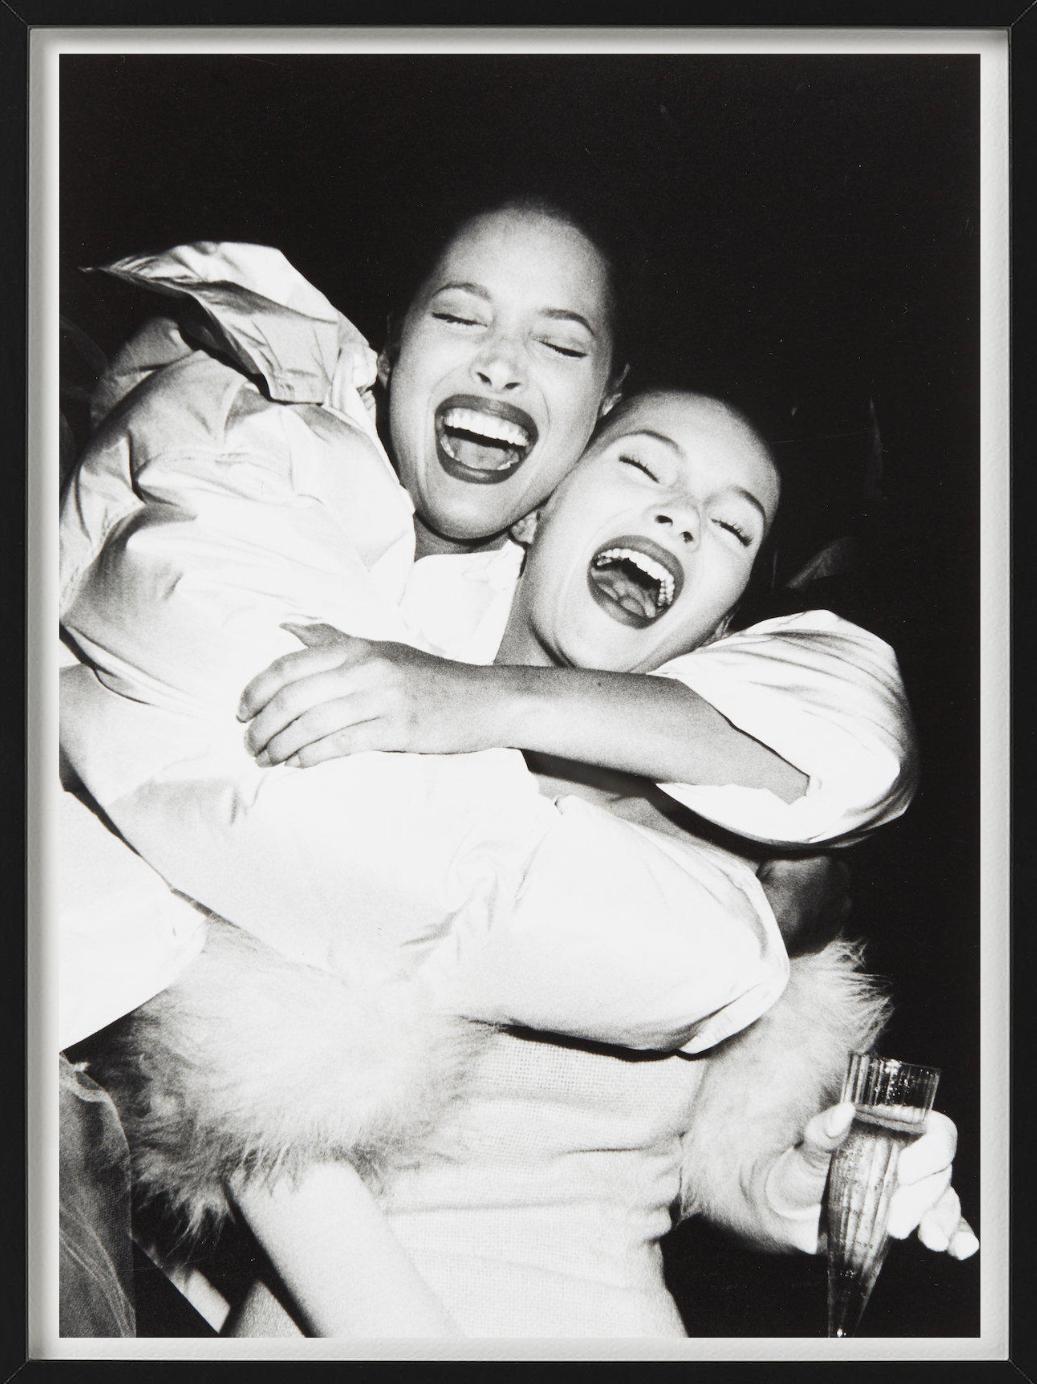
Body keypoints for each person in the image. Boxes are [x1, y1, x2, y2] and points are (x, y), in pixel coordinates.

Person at [92, 387, 974, 1338]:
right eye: (640, 466)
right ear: (541, 506)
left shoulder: (738, 859)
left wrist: (798, 1184)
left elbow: (690, 1174)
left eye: (731, 526)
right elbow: (234, 1103)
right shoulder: (359, 729)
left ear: (723, 622)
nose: (681, 515)